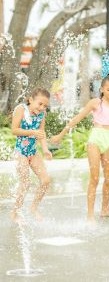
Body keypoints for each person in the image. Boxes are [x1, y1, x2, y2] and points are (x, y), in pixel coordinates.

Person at [51, 75, 109, 223]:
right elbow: (76, 119)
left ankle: (105, 210)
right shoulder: (96, 103)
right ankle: (90, 215)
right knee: (94, 178)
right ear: (102, 89)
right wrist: (61, 135)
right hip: (95, 139)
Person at [11, 88, 52, 223]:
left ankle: (34, 207)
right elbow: (14, 130)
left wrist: (45, 149)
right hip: (21, 152)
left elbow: (41, 132)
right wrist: (32, 132)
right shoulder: (21, 110)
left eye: (45, 105)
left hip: (33, 152)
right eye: (40, 104)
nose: (42, 108)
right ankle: (15, 212)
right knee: (25, 183)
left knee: (45, 180)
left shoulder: (42, 114)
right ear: (31, 100)